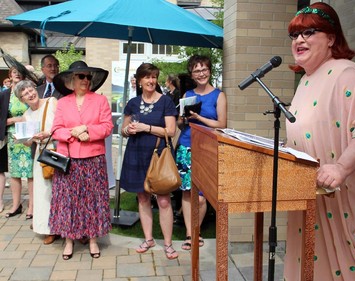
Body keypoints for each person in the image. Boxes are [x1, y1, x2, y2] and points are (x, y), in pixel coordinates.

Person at [283, 3, 355, 281]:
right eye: (295, 35)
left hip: (340, 197)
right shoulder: (305, 81)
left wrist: (340, 168)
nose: (299, 40)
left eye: (309, 32)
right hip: (309, 198)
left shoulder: (348, 74)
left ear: (332, 38)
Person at [49, 61, 113, 260]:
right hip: (68, 161)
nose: (86, 80)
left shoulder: (100, 101)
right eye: (81, 76)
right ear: (71, 80)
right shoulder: (62, 103)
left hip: (93, 159)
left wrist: (88, 130)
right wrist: (73, 132)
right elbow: (55, 130)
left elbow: (107, 127)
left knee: (93, 201)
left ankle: (93, 240)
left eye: (88, 77)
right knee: (68, 201)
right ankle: (69, 241)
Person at [119, 63, 179, 260]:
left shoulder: (166, 102)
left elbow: (170, 131)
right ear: (140, 80)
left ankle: (168, 244)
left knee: (163, 200)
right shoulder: (133, 103)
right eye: (147, 77)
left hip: (158, 155)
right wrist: (129, 130)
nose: (151, 81)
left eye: (154, 77)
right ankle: (148, 239)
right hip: (135, 154)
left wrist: (145, 127)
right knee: (143, 198)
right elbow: (123, 130)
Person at [176, 55, 227, 251]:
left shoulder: (218, 95)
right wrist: (183, 119)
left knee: (201, 196)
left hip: (207, 149)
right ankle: (190, 234)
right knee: (188, 192)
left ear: (209, 71)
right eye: (197, 70)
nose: (201, 73)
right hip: (187, 145)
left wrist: (198, 117)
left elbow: (222, 124)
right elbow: (181, 125)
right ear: (192, 74)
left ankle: (197, 230)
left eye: (204, 69)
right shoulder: (188, 94)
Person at [13, 80, 59, 245]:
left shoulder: (51, 102)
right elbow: (28, 142)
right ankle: (50, 229)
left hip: (59, 150)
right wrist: (21, 138)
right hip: (42, 156)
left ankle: (72, 227)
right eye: (25, 94)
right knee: (44, 193)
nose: (30, 94)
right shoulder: (27, 115)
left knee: (64, 191)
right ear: (22, 99)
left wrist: (48, 133)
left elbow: (64, 123)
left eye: (31, 90)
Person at [2, 66, 33, 219]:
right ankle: (16, 205)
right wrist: (13, 120)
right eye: (14, 72)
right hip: (13, 137)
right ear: (10, 75)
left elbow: (34, 113)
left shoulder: (28, 91)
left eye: (20, 73)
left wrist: (15, 119)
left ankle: (32, 207)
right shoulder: (5, 94)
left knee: (31, 173)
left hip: (28, 135)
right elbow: (2, 118)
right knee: (14, 173)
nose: (17, 75)